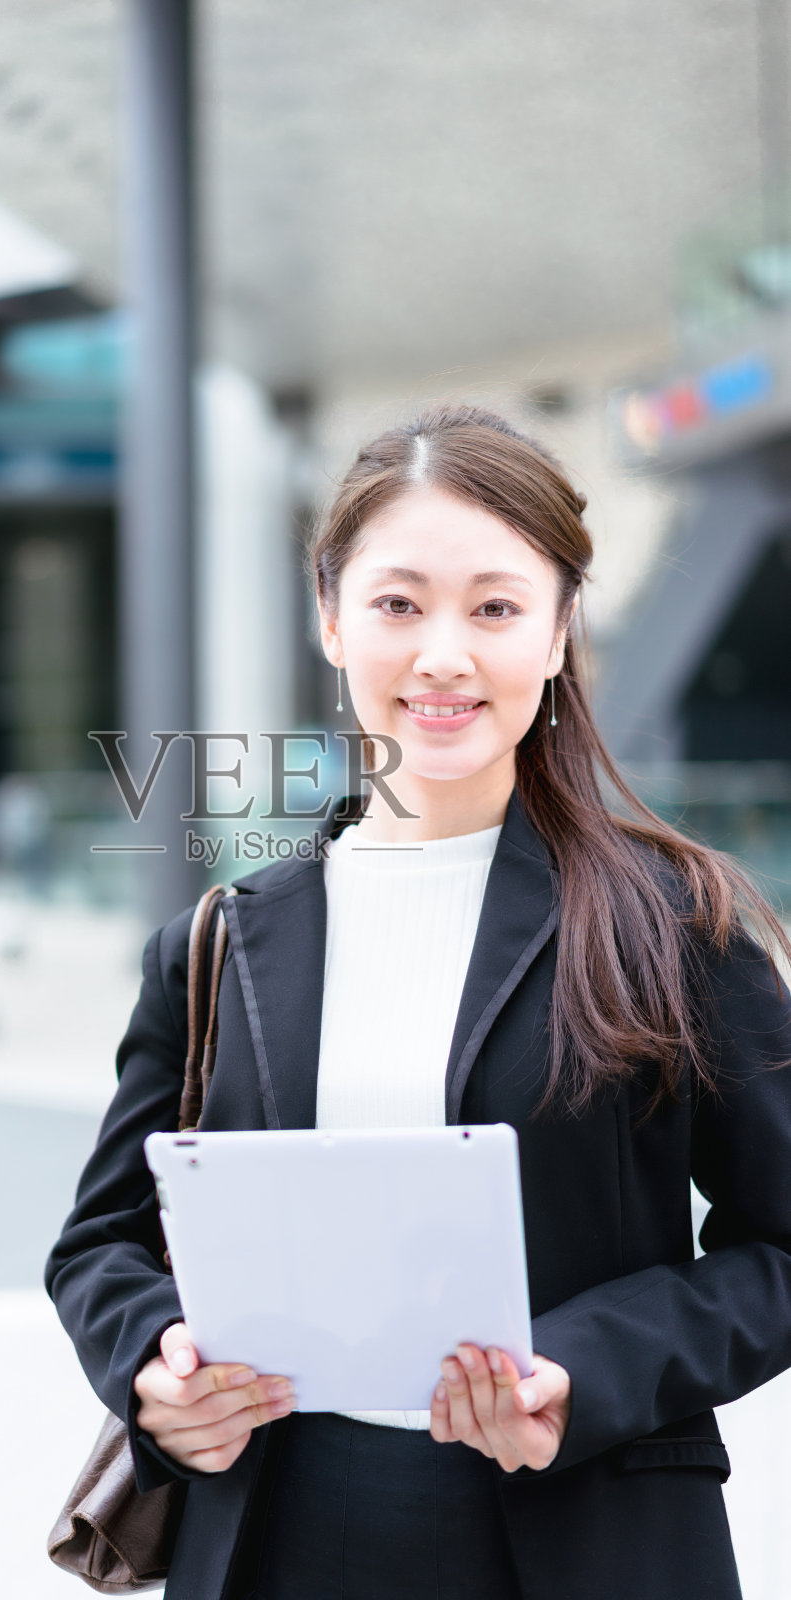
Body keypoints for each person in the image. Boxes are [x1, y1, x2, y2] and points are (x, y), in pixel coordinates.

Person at [46, 403, 791, 1600]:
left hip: (585, 1534)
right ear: (331, 619)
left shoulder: (669, 925)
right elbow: (102, 1240)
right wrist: (155, 1368)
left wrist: (584, 1367)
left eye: (493, 608)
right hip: (277, 1533)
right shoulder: (218, 944)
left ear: (557, 630)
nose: (443, 654)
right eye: (398, 604)